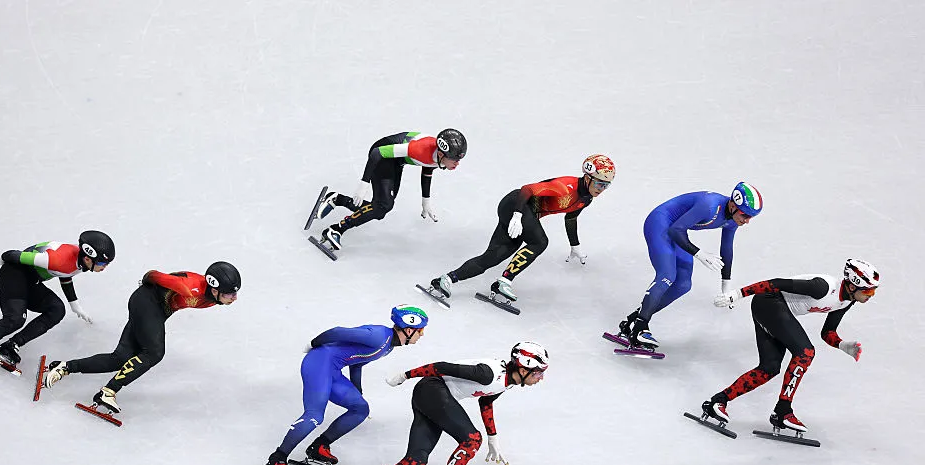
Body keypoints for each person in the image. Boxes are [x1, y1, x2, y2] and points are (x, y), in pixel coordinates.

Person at [344, 341, 549, 465]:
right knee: (471, 439)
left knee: (417, 460)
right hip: (433, 390)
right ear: (524, 368)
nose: (541, 378)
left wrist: (493, 438)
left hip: (431, 395)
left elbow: (486, 401)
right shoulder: (489, 374)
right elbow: (440, 367)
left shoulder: (507, 382)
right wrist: (404, 376)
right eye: (539, 372)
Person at [700, 258, 879, 432]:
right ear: (853, 286)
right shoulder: (823, 287)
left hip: (774, 309)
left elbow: (827, 333)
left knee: (769, 368)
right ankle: (783, 411)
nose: (871, 296)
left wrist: (842, 345)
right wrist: (737, 294)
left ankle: (717, 401)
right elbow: (775, 283)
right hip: (769, 301)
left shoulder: (847, 301)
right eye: (869, 292)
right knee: (805, 353)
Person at [259, 306, 429, 465]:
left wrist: (357, 389)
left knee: (360, 408)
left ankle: (319, 447)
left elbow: (358, 362)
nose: (422, 335)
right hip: (318, 363)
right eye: (421, 330)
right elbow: (337, 332)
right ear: (409, 330)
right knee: (315, 415)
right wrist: (314, 343)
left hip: (332, 369)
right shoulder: (379, 336)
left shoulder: (388, 346)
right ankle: (277, 459)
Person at [43, 261, 240, 413]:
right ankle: (108, 391)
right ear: (215, 289)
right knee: (154, 352)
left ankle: (65, 367)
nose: (234, 298)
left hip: (156, 311)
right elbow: (153, 275)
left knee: (119, 358)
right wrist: (146, 284)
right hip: (146, 302)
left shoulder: (214, 299)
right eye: (230, 294)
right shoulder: (190, 287)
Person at [426, 154, 615, 304]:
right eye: (599, 183)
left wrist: (575, 246)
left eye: (606, 185)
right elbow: (527, 189)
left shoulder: (586, 199)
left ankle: (446, 279)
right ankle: (504, 281)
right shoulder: (565, 187)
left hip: (525, 214)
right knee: (540, 242)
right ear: (588, 178)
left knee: (493, 256)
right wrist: (517, 216)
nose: (602, 189)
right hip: (516, 204)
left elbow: (571, 216)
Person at [618, 182, 762, 348]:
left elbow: (727, 248)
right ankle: (640, 328)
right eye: (745, 215)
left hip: (677, 230)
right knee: (667, 275)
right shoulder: (709, 206)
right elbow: (674, 230)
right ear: (732, 205)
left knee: (683, 284)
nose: (747, 221)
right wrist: (699, 254)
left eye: (751, 217)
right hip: (660, 223)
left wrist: (726, 286)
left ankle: (632, 321)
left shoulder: (733, 219)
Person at [0, 230, 115, 374]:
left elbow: (66, 276)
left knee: (57, 309)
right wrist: (3, 258)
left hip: (31, 281)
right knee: (15, 319)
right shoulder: (57, 259)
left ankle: (11, 345)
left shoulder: (79, 262)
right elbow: (13, 255)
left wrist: (75, 305)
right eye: (102, 263)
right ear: (88, 258)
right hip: (13, 274)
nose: (104, 267)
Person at [312, 129, 467, 251]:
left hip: (396, 161)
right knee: (383, 205)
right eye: (455, 160)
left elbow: (428, 168)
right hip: (382, 155)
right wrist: (363, 184)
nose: (457, 164)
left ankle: (337, 199)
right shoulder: (420, 149)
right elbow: (377, 153)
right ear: (441, 154)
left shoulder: (439, 156)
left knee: (380, 210)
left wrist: (425, 201)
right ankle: (336, 230)